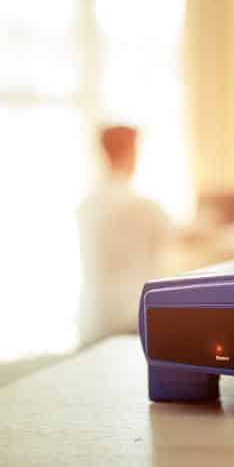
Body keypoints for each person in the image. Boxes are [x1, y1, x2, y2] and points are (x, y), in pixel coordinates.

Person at [77, 125, 171, 346]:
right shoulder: (142, 206)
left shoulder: (87, 205)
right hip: (131, 321)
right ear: (131, 152)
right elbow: (188, 236)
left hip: (93, 321)